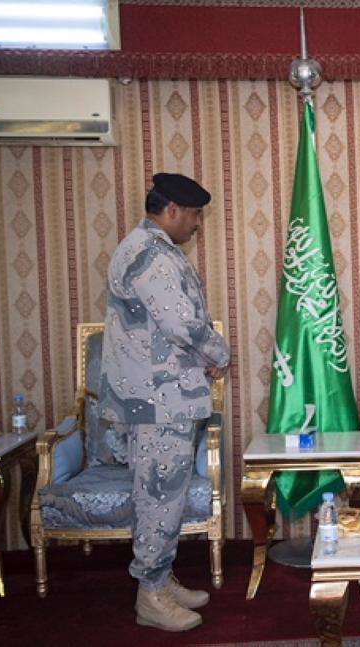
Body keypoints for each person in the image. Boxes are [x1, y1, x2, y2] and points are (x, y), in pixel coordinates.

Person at [99, 172, 230, 631]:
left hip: (162, 397)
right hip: (158, 402)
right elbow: (182, 325)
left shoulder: (151, 249)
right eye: (194, 215)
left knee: (164, 495)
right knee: (158, 497)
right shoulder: (151, 254)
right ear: (172, 210)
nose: (196, 223)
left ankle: (160, 578)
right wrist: (219, 353)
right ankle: (151, 596)